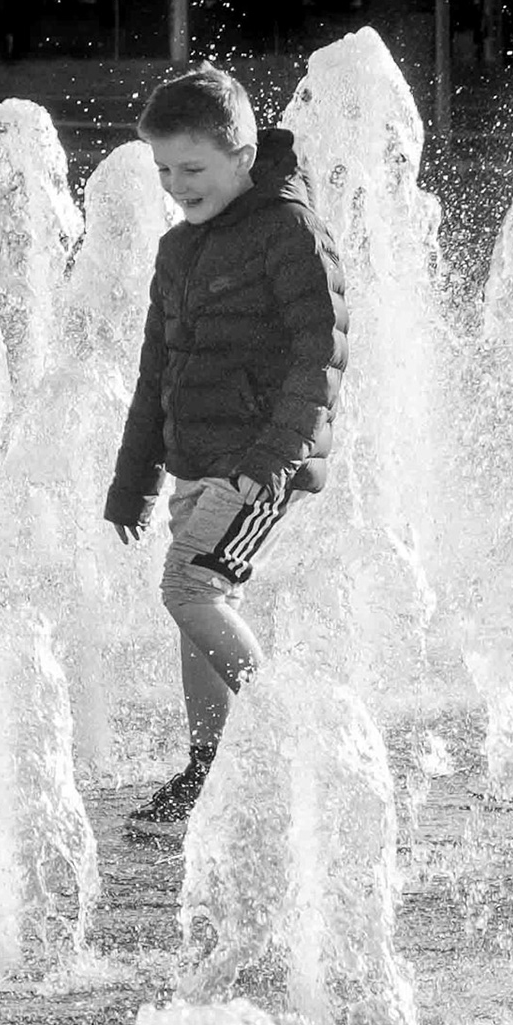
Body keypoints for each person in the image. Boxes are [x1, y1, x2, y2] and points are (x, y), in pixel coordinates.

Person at [103, 62, 347, 841]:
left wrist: (273, 459)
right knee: (196, 609)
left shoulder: (290, 229)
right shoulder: (179, 249)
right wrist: (131, 484)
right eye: (166, 170)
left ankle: (293, 746)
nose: (178, 184)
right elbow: (156, 374)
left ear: (243, 153)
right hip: (196, 463)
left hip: (258, 460)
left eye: (194, 168)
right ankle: (209, 768)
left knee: (190, 590)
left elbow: (322, 355)